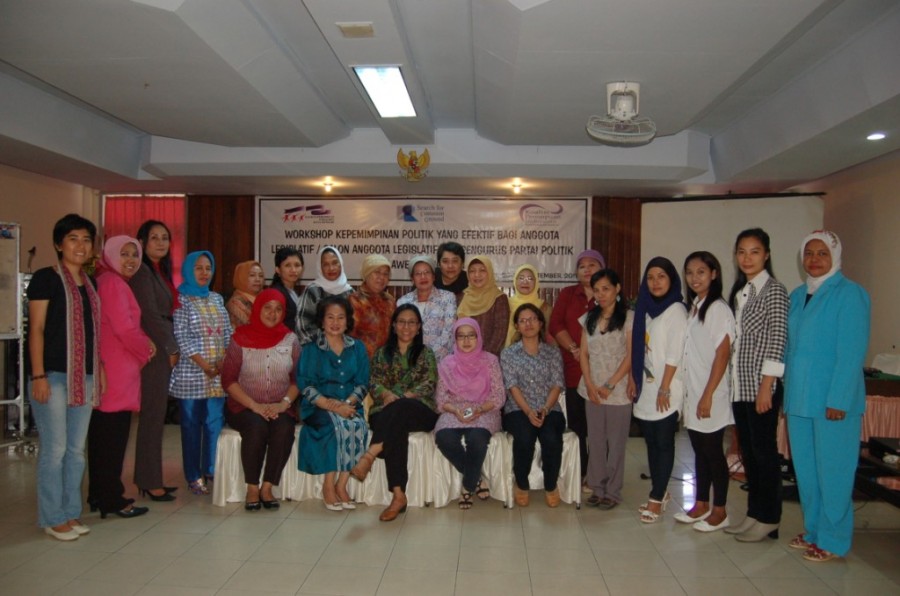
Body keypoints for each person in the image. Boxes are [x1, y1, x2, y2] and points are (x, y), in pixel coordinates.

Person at [784, 231, 870, 562]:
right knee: (806, 471)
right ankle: (814, 530)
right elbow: (791, 349)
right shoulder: (797, 295)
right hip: (800, 399)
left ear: (835, 255)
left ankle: (834, 539)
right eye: (809, 253)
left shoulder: (850, 295)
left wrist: (839, 399)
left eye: (822, 253)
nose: (815, 259)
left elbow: (851, 352)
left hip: (833, 402)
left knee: (834, 471)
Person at [27, 214, 101, 541]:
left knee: (75, 450)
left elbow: (94, 334)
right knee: (54, 450)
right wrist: (38, 375)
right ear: (59, 244)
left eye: (86, 239)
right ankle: (52, 516)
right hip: (53, 376)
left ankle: (71, 512)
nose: (80, 246)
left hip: (84, 376)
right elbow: (36, 329)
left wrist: (100, 373)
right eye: (73, 239)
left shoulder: (91, 283)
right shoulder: (46, 278)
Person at [725, 228, 788, 542]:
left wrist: (767, 385)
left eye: (754, 251)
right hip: (740, 386)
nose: (747, 258)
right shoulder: (741, 291)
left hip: (761, 387)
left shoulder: (774, 290)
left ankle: (769, 518)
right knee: (749, 453)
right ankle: (754, 513)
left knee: (765, 454)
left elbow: (778, 338)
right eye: (741, 252)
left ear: (767, 255)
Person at [350, 304, 438, 521]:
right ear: (394, 326)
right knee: (396, 425)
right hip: (385, 408)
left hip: (419, 409)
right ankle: (398, 495)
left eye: (412, 323)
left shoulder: (426, 353)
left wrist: (404, 396)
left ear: (419, 327)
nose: (406, 327)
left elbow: (430, 382)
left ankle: (371, 454)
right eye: (402, 322)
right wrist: (386, 394)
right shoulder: (382, 353)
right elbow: (373, 381)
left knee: (400, 408)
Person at [87, 235, 153, 519]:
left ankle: (99, 494)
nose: (131, 260)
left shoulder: (107, 280)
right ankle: (111, 499)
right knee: (112, 440)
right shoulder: (113, 283)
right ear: (111, 254)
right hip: (116, 373)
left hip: (112, 369)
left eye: (134, 254)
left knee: (101, 438)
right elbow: (125, 329)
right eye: (124, 254)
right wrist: (146, 348)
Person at [221, 289, 301, 511]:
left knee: (284, 428)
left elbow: (297, 380)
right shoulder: (239, 338)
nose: (272, 314)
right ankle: (252, 487)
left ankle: (267, 486)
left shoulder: (291, 340)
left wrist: (283, 404)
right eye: (267, 308)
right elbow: (228, 380)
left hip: (279, 405)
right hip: (243, 406)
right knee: (256, 427)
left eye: (278, 309)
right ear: (257, 309)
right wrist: (255, 406)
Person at [675, 252, 735, 532]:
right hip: (694, 391)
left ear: (714, 274)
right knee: (699, 451)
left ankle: (720, 510)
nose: (694, 278)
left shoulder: (718, 309)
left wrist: (709, 394)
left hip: (710, 393)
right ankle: (700, 504)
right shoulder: (695, 307)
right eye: (689, 272)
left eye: (701, 272)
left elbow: (723, 354)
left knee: (713, 452)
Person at [296, 295, 370, 511]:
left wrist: (347, 403)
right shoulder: (311, 349)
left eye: (340, 317)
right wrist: (334, 406)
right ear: (322, 320)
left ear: (348, 321)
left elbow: (363, 382)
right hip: (318, 407)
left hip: (350, 404)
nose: (335, 322)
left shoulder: (357, 347)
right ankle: (328, 486)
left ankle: (342, 484)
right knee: (334, 426)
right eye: (330, 317)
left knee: (357, 425)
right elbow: (305, 385)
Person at [169, 250, 232, 495]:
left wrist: (224, 360)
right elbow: (182, 337)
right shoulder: (181, 299)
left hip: (217, 374)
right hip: (191, 374)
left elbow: (227, 332)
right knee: (191, 425)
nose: (205, 273)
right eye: (199, 268)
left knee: (214, 422)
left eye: (208, 268)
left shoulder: (216, 299)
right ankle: (194, 475)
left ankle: (212, 469)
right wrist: (205, 365)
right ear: (188, 270)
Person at [630, 257, 687, 523]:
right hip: (646, 386)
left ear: (671, 279)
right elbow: (638, 348)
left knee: (663, 442)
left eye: (661, 276)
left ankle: (655, 498)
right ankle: (660, 491)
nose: (655, 282)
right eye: (650, 277)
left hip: (667, 386)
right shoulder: (644, 306)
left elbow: (675, 352)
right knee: (651, 441)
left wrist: (665, 387)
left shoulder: (676, 310)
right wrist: (634, 378)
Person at [130, 220, 180, 502]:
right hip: (154, 350)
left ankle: (150, 477)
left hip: (161, 346)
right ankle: (149, 481)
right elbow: (149, 315)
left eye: (165, 238)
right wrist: (171, 346)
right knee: (152, 416)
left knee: (156, 416)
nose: (161, 243)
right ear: (141, 242)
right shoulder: (142, 273)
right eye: (154, 238)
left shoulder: (158, 271)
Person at [434, 319, 506, 509]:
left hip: (485, 409)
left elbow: (498, 395)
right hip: (455, 409)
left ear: (478, 336)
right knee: (444, 438)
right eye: (461, 336)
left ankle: (467, 487)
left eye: (471, 335)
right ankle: (477, 479)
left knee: (477, 439)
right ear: (455, 339)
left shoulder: (490, 361)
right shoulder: (447, 363)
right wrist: (456, 411)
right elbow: (441, 398)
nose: (466, 341)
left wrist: (480, 409)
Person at [578, 269, 633, 510]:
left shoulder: (629, 317)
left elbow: (631, 355)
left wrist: (610, 384)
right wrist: (590, 384)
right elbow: (584, 354)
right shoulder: (588, 318)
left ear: (617, 289)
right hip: (592, 389)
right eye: (597, 290)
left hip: (617, 390)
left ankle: (613, 491)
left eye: (606, 289)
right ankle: (597, 488)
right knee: (596, 441)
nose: (600, 294)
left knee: (616, 443)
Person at [548, 249, 605, 482]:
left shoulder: (608, 295)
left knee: (600, 427)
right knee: (578, 425)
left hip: (602, 371)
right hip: (573, 370)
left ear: (602, 268)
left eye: (592, 265)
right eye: (582, 266)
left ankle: (599, 473)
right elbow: (555, 324)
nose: (587, 269)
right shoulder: (568, 294)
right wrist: (574, 349)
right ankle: (581, 473)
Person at [501, 304, 566, 508]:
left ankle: (550, 485)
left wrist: (545, 409)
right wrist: (529, 411)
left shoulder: (553, 353)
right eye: (522, 320)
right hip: (518, 409)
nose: (528, 324)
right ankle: (521, 484)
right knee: (525, 437)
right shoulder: (508, 354)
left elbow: (557, 385)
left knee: (551, 438)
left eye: (532, 319)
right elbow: (512, 386)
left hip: (549, 407)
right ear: (516, 326)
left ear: (540, 323)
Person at [397, 255, 457, 362]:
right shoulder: (403, 302)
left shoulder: (447, 298)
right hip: (409, 360)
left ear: (433, 276)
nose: (423, 277)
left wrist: (427, 358)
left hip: (440, 361)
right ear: (412, 279)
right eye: (418, 273)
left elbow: (449, 333)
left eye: (427, 272)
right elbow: (400, 333)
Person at [297, 246, 353, 345]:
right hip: (316, 348)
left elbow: (353, 326)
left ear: (341, 264)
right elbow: (303, 327)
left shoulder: (349, 292)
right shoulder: (313, 290)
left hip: (345, 348)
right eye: (326, 264)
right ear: (320, 267)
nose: (331, 268)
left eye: (335, 263)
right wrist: (326, 346)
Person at [457, 256, 510, 357]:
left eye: (482, 270)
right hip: (462, 358)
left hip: (487, 359)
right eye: (472, 271)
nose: (477, 275)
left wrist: (483, 358)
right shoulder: (461, 297)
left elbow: (499, 334)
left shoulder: (499, 298)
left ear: (489, 272)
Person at [349, 254, 396, 358]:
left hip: (386, 362)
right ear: (367, 274)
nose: (381, 277)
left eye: (385, 274)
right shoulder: (354, 301)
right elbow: (346, 338)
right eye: (377, 272)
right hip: (361, 361)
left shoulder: (390, 301)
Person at [505, 263, 553, 347]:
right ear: (515, 281)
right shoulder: (505, 304)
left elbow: (549, 336)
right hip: (506, 351)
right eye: (521, 278)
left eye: (530, 279)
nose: (525, 282)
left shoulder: (544, 307)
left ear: (536, 282)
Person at [269, 247, 304, 335]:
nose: (293, 270)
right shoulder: (275, 293)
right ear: (278, 269)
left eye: (297, 265)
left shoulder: (293, 291)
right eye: (288, 265)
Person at [226, 260, 265, 328]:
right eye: (252, 275)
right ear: (241, 277)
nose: (257, 279)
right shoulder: (235, 305)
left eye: (261, 276)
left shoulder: (266, 298)